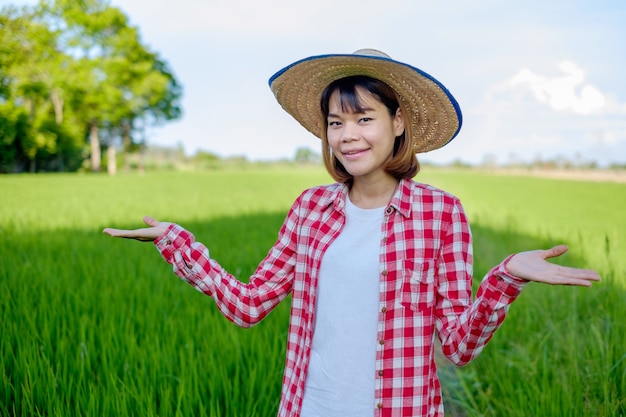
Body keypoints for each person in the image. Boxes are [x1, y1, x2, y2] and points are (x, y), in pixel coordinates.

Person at [103, 49, 600, 417]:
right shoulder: (311, 208)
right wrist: (177, 243)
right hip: (308, 407)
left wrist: (508, 276)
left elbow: (457, 347)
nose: (348, 135)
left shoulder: (440, 214)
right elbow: (248, 305)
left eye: (365, 118)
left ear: (398, 123)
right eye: (336, 122)